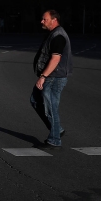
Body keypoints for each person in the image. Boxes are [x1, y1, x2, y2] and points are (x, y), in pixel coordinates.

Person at [31, 9, 72, 148]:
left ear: (54, 20)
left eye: (45, 19)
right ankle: (57, 129)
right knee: (35, 100)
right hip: (51, 76)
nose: (42, 21)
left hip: (54, 77)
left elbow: (55, 59)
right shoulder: (52, 34)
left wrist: (43, 76)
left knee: (51, 108)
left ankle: (55, 139)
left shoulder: (58, 36)